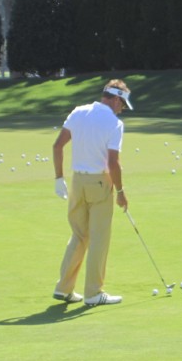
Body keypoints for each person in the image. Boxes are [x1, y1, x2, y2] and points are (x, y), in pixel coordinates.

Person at [52, 79, 132, 306]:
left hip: (77, 181)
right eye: (122, 104)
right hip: (99, 183)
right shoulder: (114, 124)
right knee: (99, 238)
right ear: (116, 99)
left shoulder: (79, 112)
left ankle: (63, 288)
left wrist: (59, 178)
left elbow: (57, 146)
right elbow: (113, 164)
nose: (122, 109)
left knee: (79, 235)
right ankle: (94, 293)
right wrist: (121, 191)